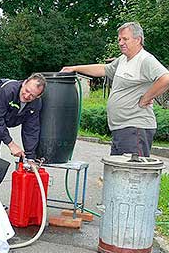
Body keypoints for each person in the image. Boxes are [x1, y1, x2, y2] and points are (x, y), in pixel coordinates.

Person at [61, 22, 169, 157]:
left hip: (135, 129)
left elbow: (165, 78)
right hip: (120, 129)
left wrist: (146, 98)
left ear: (138, 40)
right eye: (119, 39)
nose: (121, 43)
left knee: (131, 174)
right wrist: (75, 68)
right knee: (117, 173)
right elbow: (103, 69)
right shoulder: (123, 60)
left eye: (125, 39)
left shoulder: (145, 60)